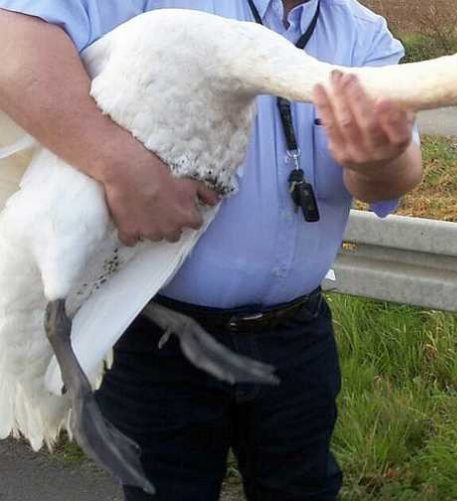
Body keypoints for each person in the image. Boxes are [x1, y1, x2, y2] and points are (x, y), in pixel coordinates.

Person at [0, 1, 423, 499]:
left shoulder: (362, 34)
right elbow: (12, 40)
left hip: (296, 339)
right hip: (153, 338)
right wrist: (118, 164)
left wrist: (381, 159)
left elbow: (394, 175)